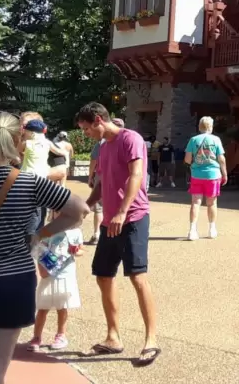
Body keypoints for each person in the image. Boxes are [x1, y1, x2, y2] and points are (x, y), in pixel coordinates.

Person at [0, 111, 89, 384]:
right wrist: (40, 234)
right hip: (12, 283)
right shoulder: (29, 183)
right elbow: (79, 209)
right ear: (19, 142)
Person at [77, 102, 159, 366]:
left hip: (133, 217)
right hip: (110, 222)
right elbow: (102, 182)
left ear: (99, 120)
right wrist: (86, 207)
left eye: (86, 129)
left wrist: (122, 212)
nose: (85, 134)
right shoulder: (104, 147)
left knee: (137, 277)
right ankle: (113, 337)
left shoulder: (130, 139)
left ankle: (151, 340)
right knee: (103, 275)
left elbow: (136, 175)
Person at [27, 217, 84, 352]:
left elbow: (81, 250)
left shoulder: (76, 232)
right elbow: (40, 249)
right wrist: (42, 267)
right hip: (49, 270)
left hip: (65, 272)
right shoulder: (49, 230)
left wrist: (76, 251)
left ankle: (61, 335)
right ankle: (36, 336)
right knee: (43, 307)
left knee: (62, 306)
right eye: (57, 211)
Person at [185, 117, 227, 241]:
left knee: (195, 202)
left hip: (196, 175)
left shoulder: (193, 140)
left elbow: (187, 159)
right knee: (212, 203)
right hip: (213, 175)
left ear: (199, 126)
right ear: (211, 127)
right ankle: (211, 229)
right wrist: (224, 173)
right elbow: (221, 159)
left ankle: (192, 230)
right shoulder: (216, 139)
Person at [86, 135, 105, 245]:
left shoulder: (101, 143)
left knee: (99, 207)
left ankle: (97, 234)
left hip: (101, 176)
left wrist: (90, 177)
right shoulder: (125, 141)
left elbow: (94, 160)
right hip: (117, 179)